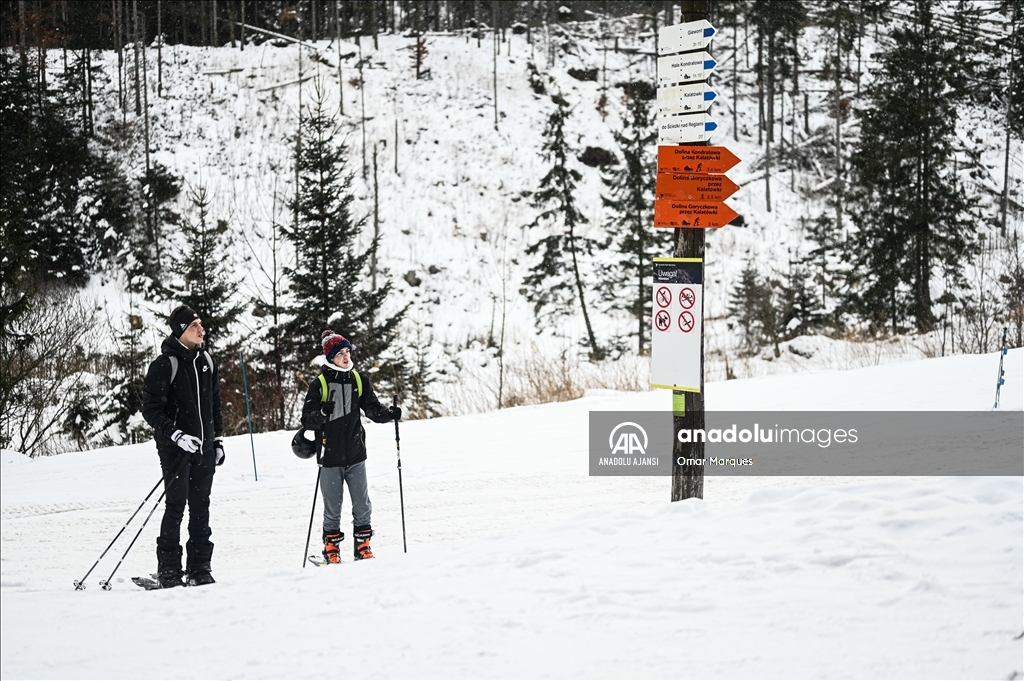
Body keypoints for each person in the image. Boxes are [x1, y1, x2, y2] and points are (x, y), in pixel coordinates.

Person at [141, 306, 225, 587]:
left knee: (201, 507)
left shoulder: (207, 362)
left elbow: (214, 405)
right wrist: (176, 436)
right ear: (180, 332)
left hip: (204, 450)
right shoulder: (165, 364)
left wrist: (218, 441)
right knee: (176, 506)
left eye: (200, 324)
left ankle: (200, 568)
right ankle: (169, 570)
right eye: (194, 326)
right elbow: (151, 410)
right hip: (175, 449)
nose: (201, 329)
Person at [301, 330, 400, 562]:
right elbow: (307, 419)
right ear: (330, 357)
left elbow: (373, 409)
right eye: (340, 353)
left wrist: (389, 414)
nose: (346, 357)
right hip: (329, 456)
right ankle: (331, 549)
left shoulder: (358, 379)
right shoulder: (320, 384)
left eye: (348, 352)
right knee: (333, 507)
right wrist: (322, 413)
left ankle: (363, 547)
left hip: (356, 454)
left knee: (362, 504)